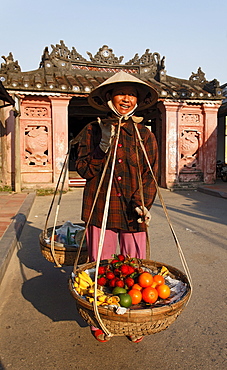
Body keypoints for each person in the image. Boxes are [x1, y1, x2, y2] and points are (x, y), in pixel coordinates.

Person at [75, 71, 158, 342]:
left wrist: (144, 204)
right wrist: (102, 146)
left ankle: (134, 320)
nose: (127, 98)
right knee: (101, 269)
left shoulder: (144, 134)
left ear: (138, 100)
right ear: (109, 97)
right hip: (101, 210)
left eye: (132, 94)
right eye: (121, 93)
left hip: (133, 212)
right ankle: (101, 319)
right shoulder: (93, 129)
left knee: (137, 271)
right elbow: (84, 170)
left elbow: (150, 174)